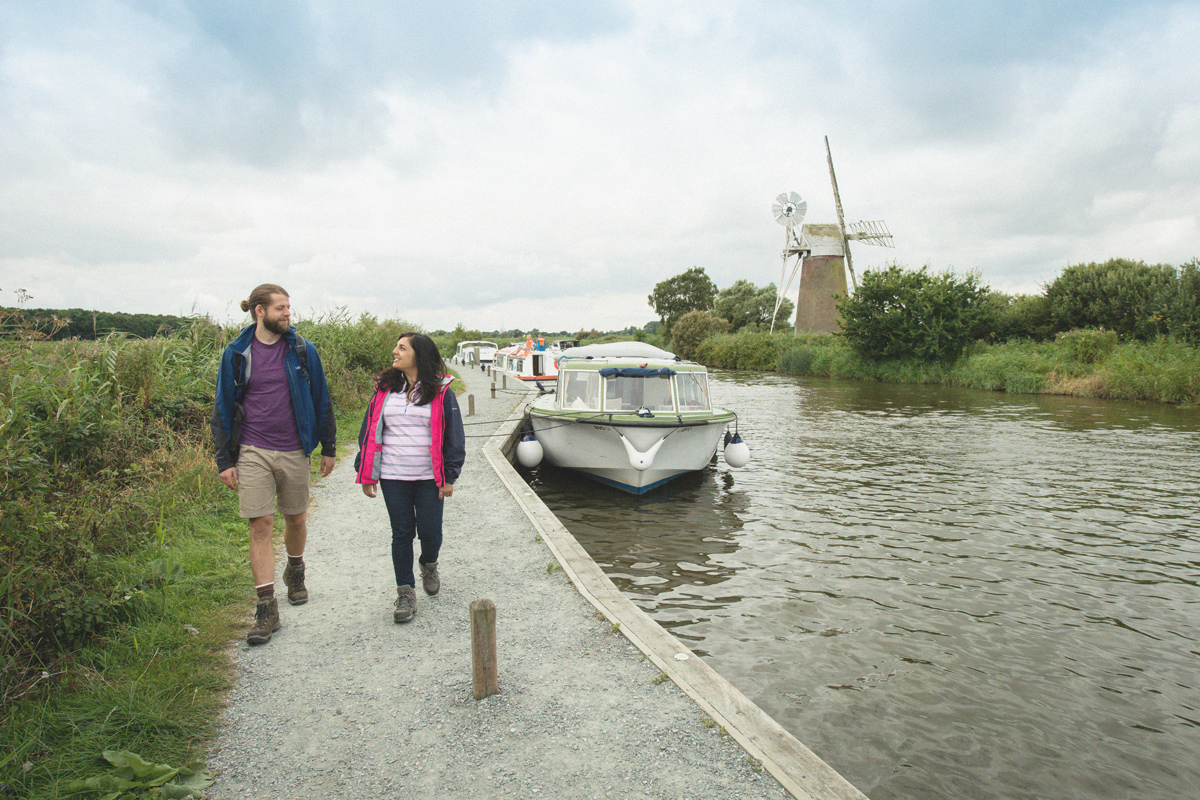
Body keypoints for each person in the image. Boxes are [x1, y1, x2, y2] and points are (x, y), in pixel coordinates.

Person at [210, 284, 336, 645]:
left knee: (295, 517)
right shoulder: (236, 353)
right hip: (252, 449)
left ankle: (295, 571)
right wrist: (225, 459)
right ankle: (266, 608)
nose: (287, 314)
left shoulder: (301, 350)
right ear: (259, 311)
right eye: (280, 308)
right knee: (260, 524)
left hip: (295, 446)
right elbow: (222, 407)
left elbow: (321, 398)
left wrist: (328, 446)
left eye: (289, 307)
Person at [354, 333, 465, 623]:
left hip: (430, 477)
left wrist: (449, 476)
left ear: (419, 355)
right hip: (393, 476)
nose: (394, 351)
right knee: (401, 533)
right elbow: (369, 430)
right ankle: (405, 593)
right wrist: (365, 471)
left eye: (402, 348)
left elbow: (455, 436)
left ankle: (429, 563)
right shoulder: (385, 388)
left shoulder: (441, 391)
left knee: (430, 531)